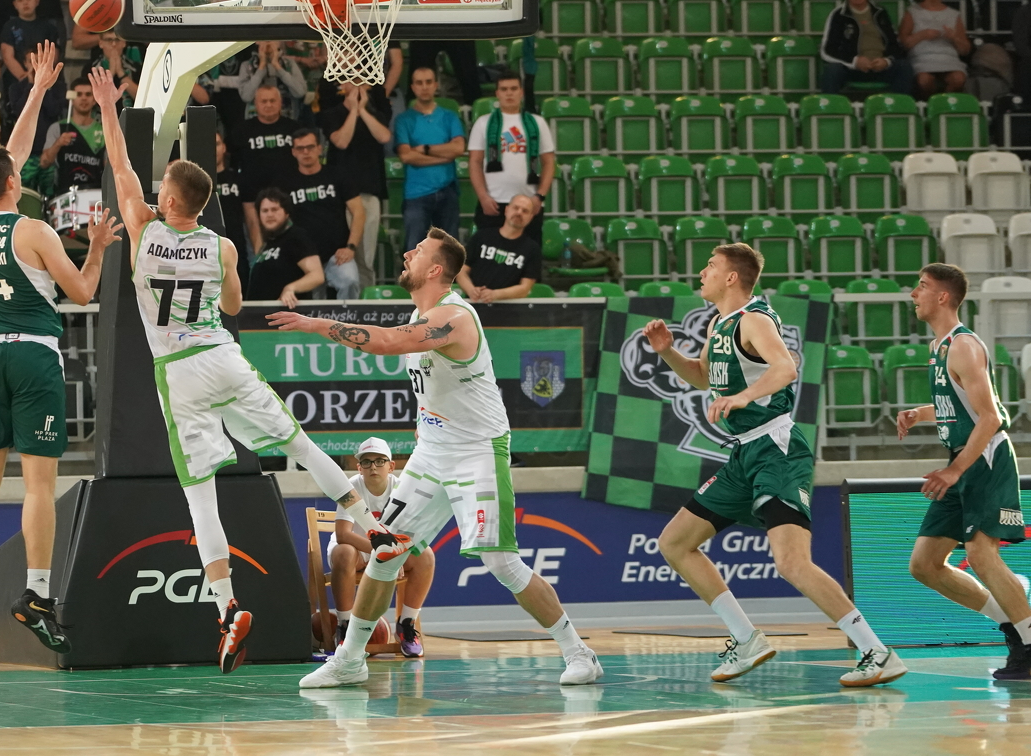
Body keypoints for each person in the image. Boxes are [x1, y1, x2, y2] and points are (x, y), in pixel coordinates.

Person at [90, 64, 405, 674]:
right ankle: (375, 527)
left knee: (200, 496)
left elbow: (122, 167)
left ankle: (227, 607)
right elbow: (234, 307)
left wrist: (109, 105)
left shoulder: (143, 230)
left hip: (178, 370)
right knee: (299, 444)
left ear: (169, 201)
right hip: (222, 356)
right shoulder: (223, 246)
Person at [271, 230, 603, 689]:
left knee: (501, 563)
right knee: (386, 552)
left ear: (434, 269)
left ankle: (579, 653)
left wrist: (315, 324)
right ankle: (349, 660)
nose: (407, 252)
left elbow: (386, 342)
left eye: (419, 251)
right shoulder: (421, 314)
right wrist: (427, 422)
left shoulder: (455, 317)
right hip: (432, 451)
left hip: (477, 452)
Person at [644, 243, 906, 687]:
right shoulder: (719, 323)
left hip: (776, 448)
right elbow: (704, 377)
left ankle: (876, 651)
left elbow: (786, 368)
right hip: (743, 454)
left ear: (732, 277)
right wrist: (668, 352)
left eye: (711, 266)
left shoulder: (754, 319)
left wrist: (744, 396)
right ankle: (747, 640)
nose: (702, 272)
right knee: (674, 543)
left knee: (791, 563)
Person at [0, 43, 120, 660]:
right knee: (40, 484)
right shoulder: (36, 230)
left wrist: (38, 90)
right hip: (31, 355)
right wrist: (96, 246)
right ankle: (38, 596)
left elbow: (9, 155)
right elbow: (82, 292)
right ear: (14, 183)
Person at [900, 262, 1031, 680]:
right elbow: (959, 405)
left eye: (922, 286)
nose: (913, 293)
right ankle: (1013, 625)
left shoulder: (964, 345)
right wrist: (921, 414)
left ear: (943, 297)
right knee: (924, 564)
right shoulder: (939, 347)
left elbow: (990, 417)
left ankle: (1030, 641)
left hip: (984, 460)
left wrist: (955, 470)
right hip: (962, 460)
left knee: (980, 553)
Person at [328, 438, 435, 656]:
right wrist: (388, 555)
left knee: (425, 555)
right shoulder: (350, 487)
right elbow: (343, 535)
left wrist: (396, 556)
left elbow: (411, 534)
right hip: (357, 550)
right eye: (366, 462)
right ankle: (345, 626)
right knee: (343, 552)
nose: (373, 467)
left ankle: (406, 626)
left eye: (379, 461)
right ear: (359, 467)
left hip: (391, 552)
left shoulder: (402, 489)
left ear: (391, 466)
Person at [318, 80, 392, 289]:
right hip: (338, 196)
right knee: (340, 253)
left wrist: (363, 110)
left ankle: (367, 300)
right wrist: (352, 111)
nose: (358, 86)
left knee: (365, 257)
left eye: (362, 82)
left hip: (368, 190)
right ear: (343, 86)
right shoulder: (332, 113)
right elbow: (341, 141)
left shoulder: (375, 111)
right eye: (352, 81)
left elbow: (384, 136)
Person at [275, 128, 364, 300]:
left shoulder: (337, 175)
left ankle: (348, 318)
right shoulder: (283, 183)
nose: (305, 152)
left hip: (336, 254)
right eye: (300, 148)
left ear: (319, 148)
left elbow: (359, 212)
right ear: (293, 152)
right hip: (303, 257)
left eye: (310, 147)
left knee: (350, 281)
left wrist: (351, 247)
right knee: (310, 301)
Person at [467, 73, 555, 232]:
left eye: (513, 89)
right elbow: (475, 162)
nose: (509, 93)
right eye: (504, 89)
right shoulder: (483, 123)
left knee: (528, 248)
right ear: (497, 93)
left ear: (521, 92)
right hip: (493, 202)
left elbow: (548, 162)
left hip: (528, 202)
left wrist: (539, 196)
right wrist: (483, 197)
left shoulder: (538, 123)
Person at [392, 66, 466, 252]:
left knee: (449, 254)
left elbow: (458, 148)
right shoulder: (403, 120)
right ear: (413, 87)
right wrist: (443, 157)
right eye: (419, 83)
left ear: (435, 85)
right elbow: (407, 155)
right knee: (414, 253)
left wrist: (425, 149)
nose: (424, 87)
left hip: (447, 190)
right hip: (416, 194)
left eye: (428, 82)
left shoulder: (450, 117)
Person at [820, 0, 915, 98]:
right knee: (832, 70)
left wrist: (886, 61)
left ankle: (900, 106)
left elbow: (894, 45)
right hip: (852, 69)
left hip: (880, 67)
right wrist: (855, 61)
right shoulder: (838, 15)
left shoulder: (881, 12)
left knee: (904, 67)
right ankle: (830, 107)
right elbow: (827, 50)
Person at [235, 84, 303, 247]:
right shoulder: (241, 131)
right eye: (264, 101)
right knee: (258, 248)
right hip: (252, 198)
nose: (268, 105)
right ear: (256, 104)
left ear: (280, 103)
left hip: (290, 196)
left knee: (291, 245)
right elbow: (233, 161)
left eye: (272, 101)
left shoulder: (294, 128)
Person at [247, 188, 325, 307]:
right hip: (259, 314)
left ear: (286, 213)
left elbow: (317, 275)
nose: (269, 214)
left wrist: (290, 288)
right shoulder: (268, 242)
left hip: (288, 313)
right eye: (265, 211)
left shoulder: (296, 236)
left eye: (274, 209)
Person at [900, 0, 971, 99]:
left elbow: (965, 50)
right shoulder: (912, 12)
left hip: (948, 59)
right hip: (922, 59)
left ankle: (946, 103)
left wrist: (954, 38)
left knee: (958, 79)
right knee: (924, 81)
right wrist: (922, 35)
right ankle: (930, 105)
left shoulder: (954, 14)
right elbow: (904, 44)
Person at [457, 195, 542, 302]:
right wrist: (471, 290)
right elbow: (461, 271)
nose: (519, 213)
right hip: (474, 303)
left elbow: (525, 288)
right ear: (506, 210)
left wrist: (496, 295)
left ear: (531, 217)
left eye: (525, 211)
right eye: (516, 208)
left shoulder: (532, 249)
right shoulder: (481, 237)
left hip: (509, 308)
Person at [38, 77, 105, 195]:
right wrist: (58, 143)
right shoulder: (58, 128)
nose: (84, 98)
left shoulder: (103, 131)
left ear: (95, 99)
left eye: (88, 94)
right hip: (64, 195)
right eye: (79, 94)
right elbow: (44, 162)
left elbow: (110, 168)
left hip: (95, 195)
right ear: (72, 99)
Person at [213, 131, 249, 288]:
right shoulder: (196, 181)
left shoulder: (238, 179)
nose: (213, 149)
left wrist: (258, 247)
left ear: (224, 147)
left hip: (237, 244)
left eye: (216, 144)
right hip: (207, 246)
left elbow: (251, 216)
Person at [237, 42, 306, 118]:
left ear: (279, 43)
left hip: (286, 116)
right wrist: (261, 68)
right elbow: (246, 97)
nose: (268, 43)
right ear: (257, 42)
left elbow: (300, 92)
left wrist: (278, 67)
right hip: (255, 117)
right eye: (265, 40)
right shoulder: (247, 65)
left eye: (272, 39)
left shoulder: (289, 64)